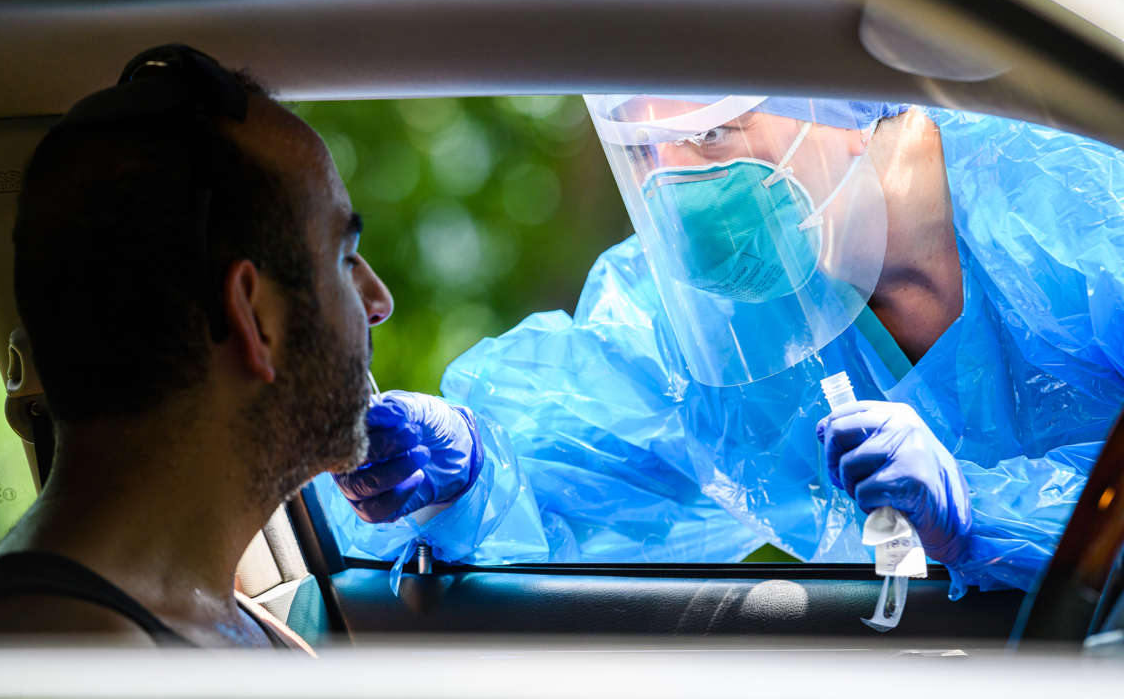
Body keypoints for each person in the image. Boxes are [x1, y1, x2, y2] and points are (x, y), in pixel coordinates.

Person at [320, 95, 1124, 598]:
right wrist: (470, 468)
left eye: (710, 134)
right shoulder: (691, 318)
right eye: (646, 153)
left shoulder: (1066, 196)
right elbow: (580, 473)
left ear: (843, 104)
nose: (678, 184)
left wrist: (991, 518)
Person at [0, 44, 393, 646]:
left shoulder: (225, 616)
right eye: (344, 258)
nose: (377, 301)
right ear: (253, 315)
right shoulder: (65, 657)